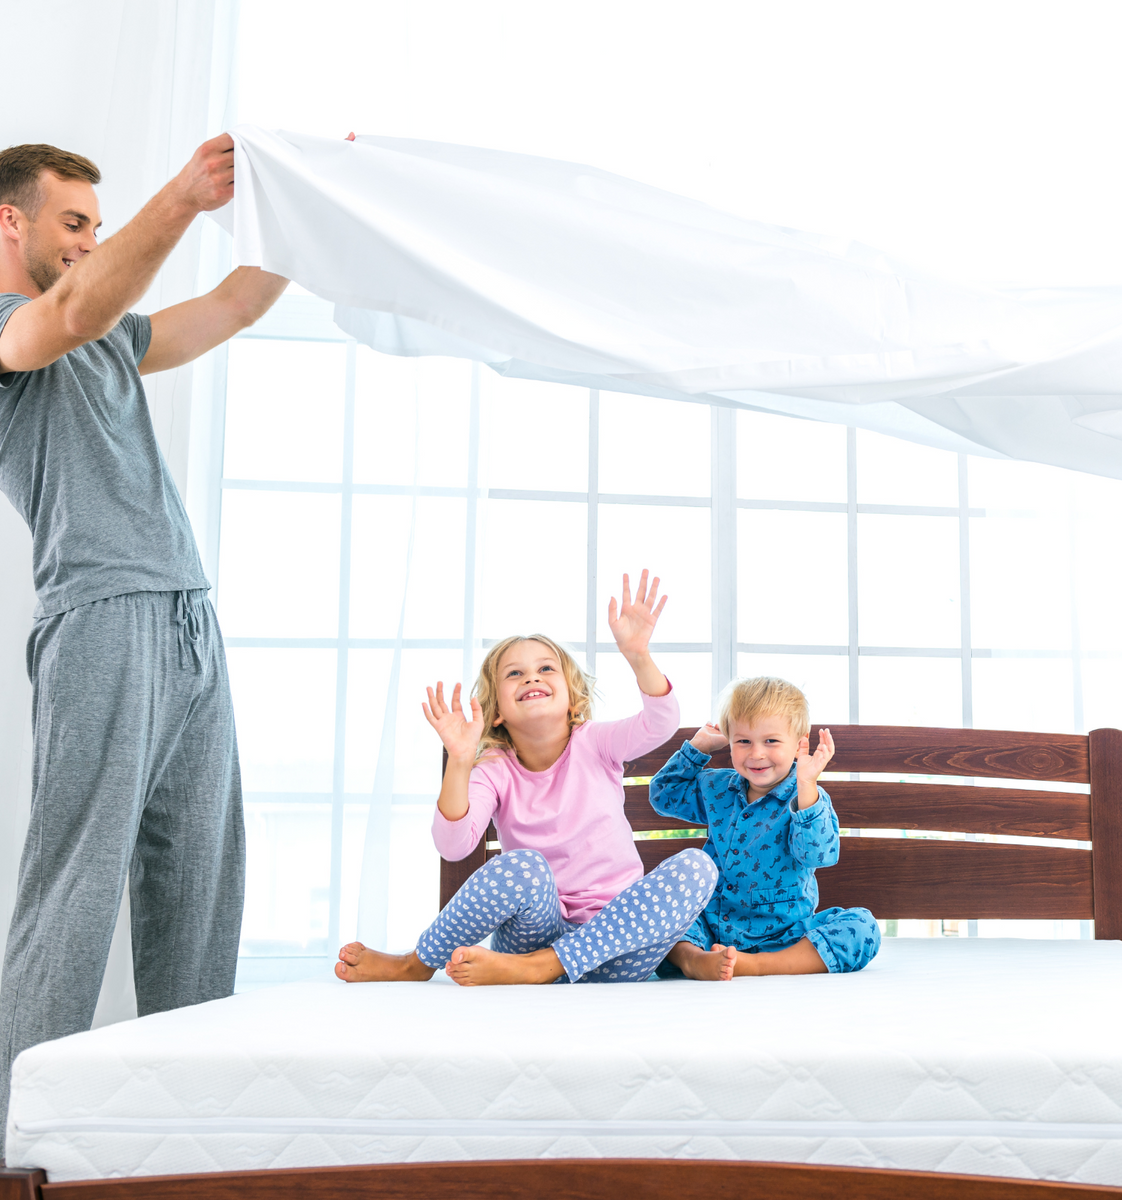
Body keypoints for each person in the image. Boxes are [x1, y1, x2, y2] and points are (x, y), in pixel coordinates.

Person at [0, 136, 287, 1135]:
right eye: (73, 222)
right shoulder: (13, 328)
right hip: (102, 617)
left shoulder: (110, 333)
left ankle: (184, 1134)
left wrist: (306, 214)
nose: (89, 242)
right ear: (11, 223)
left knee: (202, 879)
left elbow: (235, 306)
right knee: (73, 893)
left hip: (186, 612)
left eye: (94, 225)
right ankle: (14, 1141)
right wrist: (180, 198)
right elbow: (67, 312)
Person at [335, 570, 717, 985]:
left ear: (573, 697)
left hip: (615, 948)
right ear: (496, 710)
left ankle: (547, 968)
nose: (531, 677)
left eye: (546, 668)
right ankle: (415, 964)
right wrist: (462, 760)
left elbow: (661, 722)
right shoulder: (495, 769)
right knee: (522, 866)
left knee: (698, 866)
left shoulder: (596, 742)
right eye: (514, 674)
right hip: (533, 937)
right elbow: (453, 844)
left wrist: (638, 655)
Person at [649, 675, 880, 980]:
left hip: (787, 935)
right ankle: (692, 959)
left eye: (771, 741)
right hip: (709, 930)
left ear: (799, 743)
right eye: (743, 741)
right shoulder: (716, 787)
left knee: (862, 927)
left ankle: (754, 965)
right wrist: (698, 747)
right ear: (729, 740)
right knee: (664, 908)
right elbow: (664, 794)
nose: (756, 754)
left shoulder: (807, 795)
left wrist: (807, 784)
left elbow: (819, 855)